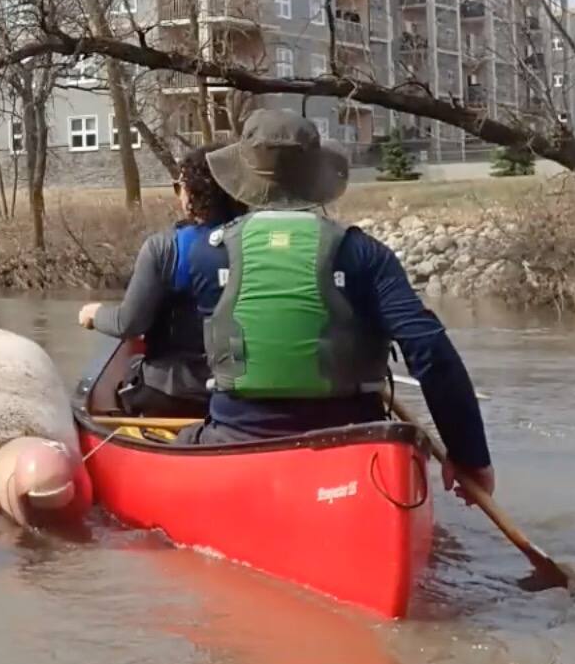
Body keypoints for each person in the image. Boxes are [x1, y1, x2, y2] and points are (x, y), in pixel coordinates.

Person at [188, 112, 496, 498]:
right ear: (317, 177)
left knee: (184, 436)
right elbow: (430, 350)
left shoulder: (205, 254)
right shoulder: (364, 253)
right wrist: (470, 456)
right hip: (352, 445)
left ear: (242, 182)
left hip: (236, 437)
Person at [75, 145, 248, 417]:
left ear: (193, 192)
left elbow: (129, 323)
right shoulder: (261, 243)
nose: (178, 194)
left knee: (131, 376)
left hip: (174, 391)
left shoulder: (165, 247)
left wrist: (95, 314)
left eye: (178, 186)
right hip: (245, 390)